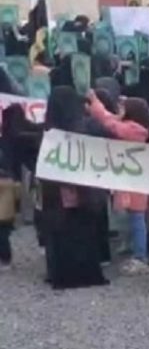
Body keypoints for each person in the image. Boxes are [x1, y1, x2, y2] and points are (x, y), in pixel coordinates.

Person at [38, 86, 108, 289]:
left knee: (59, 233)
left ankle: (60, 274)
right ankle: (87, 273)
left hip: (56, 193)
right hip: (84, 190)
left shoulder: (48, 132)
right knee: (84, 231)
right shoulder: (85, 127)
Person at [86, 90, 149, 275]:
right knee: (133, 216)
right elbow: (111, 118)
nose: (119, 110)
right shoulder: (136, 127)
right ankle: (134, 249)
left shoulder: (134, 130)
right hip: (131, 178)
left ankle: (140, 257)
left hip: (134, 181)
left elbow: (110, 122)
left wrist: (94, 101)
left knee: (137, 218)